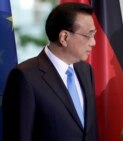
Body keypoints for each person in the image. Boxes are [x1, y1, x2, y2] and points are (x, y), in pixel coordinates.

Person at [2, 2, 98, 141]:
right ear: (64, 37)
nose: (93, 42)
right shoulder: (25, 76)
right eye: (88, 35)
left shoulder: (85, 71)